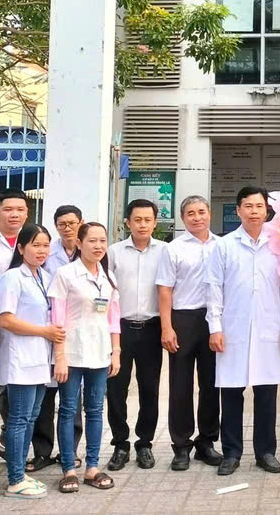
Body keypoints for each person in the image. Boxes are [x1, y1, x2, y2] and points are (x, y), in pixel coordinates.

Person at [207, 186, 280, 476]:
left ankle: (266, 452)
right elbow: (214, 289)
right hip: (232, 329)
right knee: (231, 392)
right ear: (238, 211)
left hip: (268, 327)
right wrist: (215, 327)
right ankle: (232, 453)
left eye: (259, 206)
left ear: (267, 210)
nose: (254, 211)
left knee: (266, 392)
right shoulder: (224, 245)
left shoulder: (279, 245)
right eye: (248, 206)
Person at [48, 221, 121, 493]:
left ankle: (92, 466)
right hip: (71, 352)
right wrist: (60, 356)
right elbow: (57, 319)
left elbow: (114, 320)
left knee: (95, 410)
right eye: (92, 240)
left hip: (100, 353)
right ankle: (69, 468)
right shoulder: (65, 275)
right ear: (79, 243)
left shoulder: (108, 276)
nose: (98, 246)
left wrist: (116, 353)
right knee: (68, 410)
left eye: (102, 240)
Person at [0, 224, 65, 499]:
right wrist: (44, 332)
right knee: (19, 419)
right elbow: (5, 319)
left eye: (46, 245)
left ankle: (21, 473)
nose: (42, 250)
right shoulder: (12, 278)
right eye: (36, 245)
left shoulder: (45, 277)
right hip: (20, 358)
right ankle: (14, 479)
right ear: (21, 248)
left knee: (31, 417)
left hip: (40, 359)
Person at [157, 196, 223, 471]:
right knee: (180, 386)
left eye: (201, 212)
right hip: (182, 319)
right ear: (183, 218)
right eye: (191, 213)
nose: (197, 217)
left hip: (213, 320)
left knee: (211, 384)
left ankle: (206, 442)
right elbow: (164, 290)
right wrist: (167, 327)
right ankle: (181, 445)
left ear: (209, 214)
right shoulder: (173, 249)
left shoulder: (222, 245)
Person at [105, 199, 166, 471]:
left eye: (147, 220)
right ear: (127, 222)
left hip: (152, 328)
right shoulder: (114, 252)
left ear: (155, 222)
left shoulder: (165, 251)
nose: (142, 224)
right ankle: (120, 443)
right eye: (137, 220)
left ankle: (145, 443)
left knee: (149, 388)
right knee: (116, 388)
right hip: (120, 329)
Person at [30, 205, 83, 471]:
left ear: (80, 223)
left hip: (78, 330)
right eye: (62, 224)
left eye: (72, 223)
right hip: (49, 329)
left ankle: (69, 451)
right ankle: (42, 451)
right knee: (45, 396)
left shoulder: (90, 249)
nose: (67, 228)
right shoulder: (47, 254)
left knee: (72, 398)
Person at [0, 189, 29, 470]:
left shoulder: (31, 240)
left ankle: (11, 445)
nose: (14, 215)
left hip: (20, 329)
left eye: (20, 210)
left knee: (14, 391)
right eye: (8, 209)